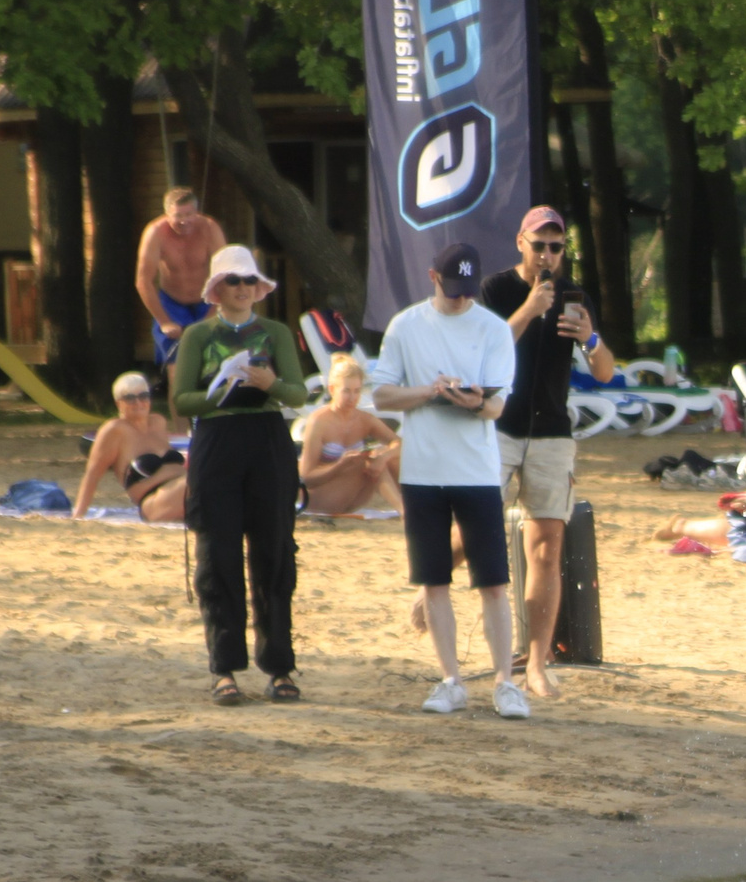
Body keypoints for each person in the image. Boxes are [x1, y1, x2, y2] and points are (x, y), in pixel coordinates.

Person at [374, 242, 528, 719]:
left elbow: (499, 404)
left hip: (477, 472)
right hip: (423, 470)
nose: (460, 300)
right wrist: (429, 391)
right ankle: (451, 680)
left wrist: (474, 402)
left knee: (494, 582)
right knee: (433, 580)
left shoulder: (494, 329)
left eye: (468, 291)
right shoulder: (407, 325)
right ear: (432, 277)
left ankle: (505, 681)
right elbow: (381, 393)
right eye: (451, 288)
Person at [482, 206, 615, 699]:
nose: (547, 255)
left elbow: (604, 371)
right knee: (475, 527)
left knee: (546, 549)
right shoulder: (497, 290)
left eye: (556, 247)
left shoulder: (575, 294)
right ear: (521, 242)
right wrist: (530, 310)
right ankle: (431, 582)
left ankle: (537, 662)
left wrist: (591, 338)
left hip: (553, 433)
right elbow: (486, 350)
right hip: (499, 426)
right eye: (539, 245)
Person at [171, 245, 310, 705]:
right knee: (218, 556)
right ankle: (224, 668)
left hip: (268, 441)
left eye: (250, 281)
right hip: (217, 441)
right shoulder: (196, 335)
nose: (244, 289)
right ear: (217, 289)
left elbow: (298, 395)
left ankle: (280, 666)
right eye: (234, 281)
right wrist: (223, 388)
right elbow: (182, 402)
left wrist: (269, 385)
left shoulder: (275, 332)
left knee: (274, 552)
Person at [70, 371, 189, 522]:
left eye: (143, 396)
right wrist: (78, 515)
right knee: (204, 477)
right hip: (155, 502)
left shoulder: (158, 422)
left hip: (183, 491)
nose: (138, 403)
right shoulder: (114, 430)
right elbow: (92, 475)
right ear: (118, 403)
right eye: (130, 398)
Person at [136, 187, 228, 373]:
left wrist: (211, 315)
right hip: (172, 304)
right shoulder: (155, 233)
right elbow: (143, 281)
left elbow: (225, 274)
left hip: (207, 301)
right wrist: (164, 321)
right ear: (167, 213)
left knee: (215, 367)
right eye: (178, 215)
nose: (184, 221)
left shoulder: (210, 228)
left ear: (197, 212)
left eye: (189, 214)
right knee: (177, 371)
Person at [298, 355, 403, 517]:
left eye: (357, 391)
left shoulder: (363, 419)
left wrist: (384, 457)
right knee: (366, 461)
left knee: (386, 455)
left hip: (352, 495)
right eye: (346, 391)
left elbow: (400, 443)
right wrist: (341, 464)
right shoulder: (319, 421)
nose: (352, 398)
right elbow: (307, 477)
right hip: (319, 495)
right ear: (332, 389)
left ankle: (411, 505)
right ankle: (404, 510)